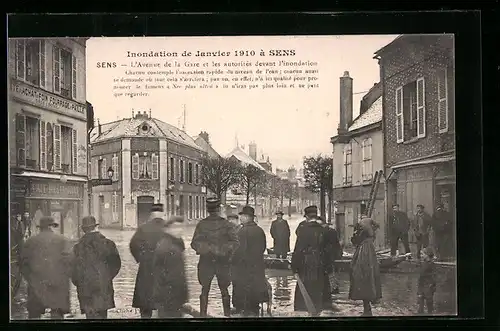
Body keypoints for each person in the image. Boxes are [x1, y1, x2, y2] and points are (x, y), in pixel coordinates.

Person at [191, 198, 239, 317]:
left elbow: (194, 243)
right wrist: (222, 250)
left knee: (204, 290)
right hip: (223, 261)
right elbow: (235, 242)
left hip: (205, 261)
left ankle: (202, 317)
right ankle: (227, 316)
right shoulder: (227, 224)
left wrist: (207, 249)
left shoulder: (201, 224)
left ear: (207, 210)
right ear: (219, 209)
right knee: (224, 290)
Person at [20, 216, 73, 319]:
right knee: (57, 314)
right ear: (51, 227)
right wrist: (63, 277)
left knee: (34, 315)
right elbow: (69, 262)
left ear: (41, 228)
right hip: (57, 285)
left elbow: (23, 264)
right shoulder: (63, 240)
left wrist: (31, 278)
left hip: (36, 284)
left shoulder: (30, 241)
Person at [71, 216, 121, 319]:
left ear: (83, 229)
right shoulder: (108, 243)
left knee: (90, 318)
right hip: (103, 285)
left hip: (85, 288)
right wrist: (107, 277)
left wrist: (79, 282)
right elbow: (116, 264)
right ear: (95, 227)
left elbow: (73, 270)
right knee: (103, 316)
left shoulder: (77, 247)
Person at [129, 203, 169, 318]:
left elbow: (133, 245)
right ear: (162, 214)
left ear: (152, 214)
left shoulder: (143, 228)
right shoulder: (169, 228)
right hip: (165, 268)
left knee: (145, 303)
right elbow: (179, 247)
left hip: (147, 268)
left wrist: (141, 258)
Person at [291, 206, 332, 315]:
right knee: (319, 288)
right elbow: (328, 250)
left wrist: (294, 267)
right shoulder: (324, 230)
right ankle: (317, 313)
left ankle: (309, 313)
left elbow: (298, 249)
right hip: (320, 262)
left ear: (307, 217)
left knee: (306, 288)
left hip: (306, 263)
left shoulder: (303, 230)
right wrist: (328, 266)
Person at [231, 206, 268, 316]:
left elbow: (238, 250)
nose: (240, 218)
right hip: (257, 265)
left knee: (243, 287)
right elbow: (263, 247)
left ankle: (243, 310)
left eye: (242, 216)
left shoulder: (242, 231)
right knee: (255, 287)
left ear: (247, 217)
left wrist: (232, 261)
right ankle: (254, 309)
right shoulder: (260, 230)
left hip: (244, 266)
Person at [151, 215, 188, 318]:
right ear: (167, 229)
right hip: (170, 298)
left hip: (168, 297)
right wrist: (182, 298)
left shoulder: (171, 244)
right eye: (176, 227)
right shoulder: (170, 248)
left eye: (181, 227)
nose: (179, 230)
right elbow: (175, 277)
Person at [349, 216, 382, 316]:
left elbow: (355, 241)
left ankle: (367, 310)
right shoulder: (370, 240)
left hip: (363, 256)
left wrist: (354, 235)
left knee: (362, 278)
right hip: (368, 256)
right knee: (368, 279)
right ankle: (367, 308)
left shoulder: (364, 243)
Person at [318, 216, 342, 309]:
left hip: (327, 256)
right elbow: (337, 244)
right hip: (330, 256)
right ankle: (332, 290)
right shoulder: (331, 231)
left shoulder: (325, 232)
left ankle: (331, 290)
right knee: (331, 273)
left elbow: (334, 244)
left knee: (329, 273)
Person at [417, 247, 437, 315]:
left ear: (427, 255)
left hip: (428, 286)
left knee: (429, 303)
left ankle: (430, 314)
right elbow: (421, 275)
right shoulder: (424, 263)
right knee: (420, 304)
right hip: (422, 285)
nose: (421, 256)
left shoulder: (431, 264)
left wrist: (431, 285)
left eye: (422, 254)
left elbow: (434, 275)